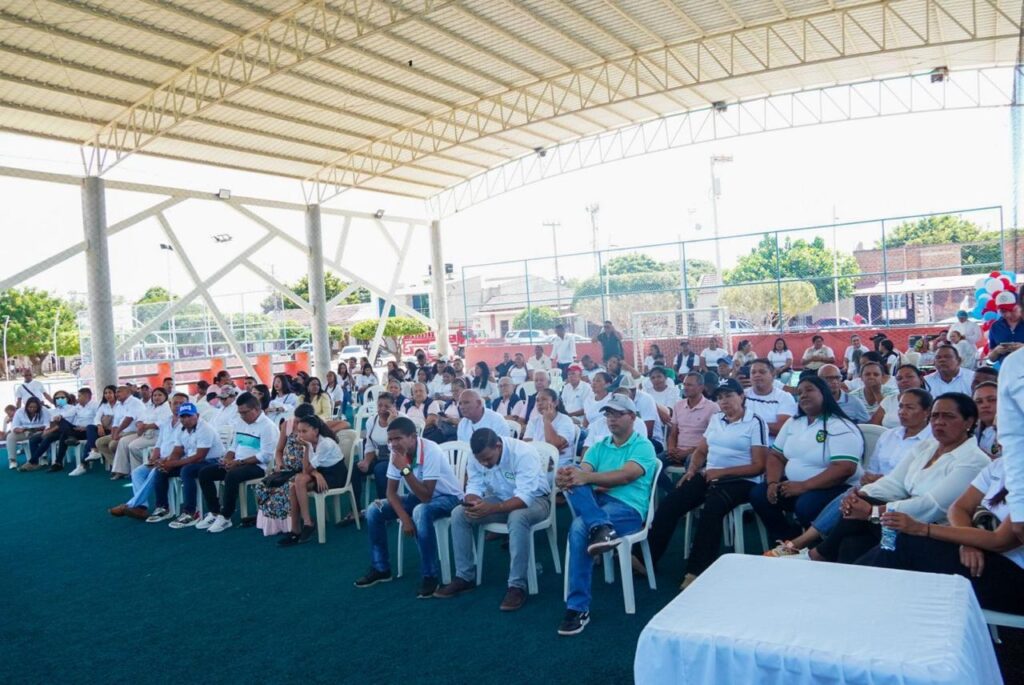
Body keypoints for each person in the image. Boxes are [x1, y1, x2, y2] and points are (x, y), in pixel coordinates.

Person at [812, 393, 990, 564]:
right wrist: (862, 494)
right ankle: (827, 561)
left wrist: (873, 511)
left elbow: (932, 506)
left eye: (948, 416)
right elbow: (895, 482)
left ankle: (818, 553)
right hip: (902, 518)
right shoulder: (927, 447)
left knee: (862, 521)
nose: (939, 422)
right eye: (935, 416)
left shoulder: (973, 460)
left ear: (969, 422)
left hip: (933, 529)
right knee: (853, 540)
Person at [765, 388, 935, 558]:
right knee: (851, 504)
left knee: (850, 499)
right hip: (875, 489)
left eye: (909, 408)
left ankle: (804, 546)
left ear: (927, 412)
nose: (902, 412)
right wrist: (869, 478)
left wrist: (882, 481)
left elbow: (920, 479)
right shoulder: (889, 436)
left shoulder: (932, 442)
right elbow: (872, 469)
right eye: (900, 407)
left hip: (901, 495)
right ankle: (809, 548)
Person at [642, 379, 768, 589]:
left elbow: (759, 466)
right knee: (672, 501)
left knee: (713, 508)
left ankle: (697, 570)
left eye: (729, 396)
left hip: (742, 480)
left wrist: (722, 472)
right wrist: (692, 470)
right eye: (720, 397)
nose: (724, 401)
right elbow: (701, 450)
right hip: (710, 474)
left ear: (742, 396)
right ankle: (645, 558)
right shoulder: (717, 419)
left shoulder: (755, 422)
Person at [858, 457, 1024, 613]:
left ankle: (854, 594)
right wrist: (967, 542)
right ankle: (856, 592)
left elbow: (1000, 541)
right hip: (982, 555)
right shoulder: (1000, 465)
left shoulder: (977, 460)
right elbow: (959, 508)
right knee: (865, 538)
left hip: (1012, 574)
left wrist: (922, 528)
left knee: (905, 543)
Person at [555, 394, 658, 636]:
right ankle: (601, 527)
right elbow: (582, 472)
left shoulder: (643, 445)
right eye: (608, 414)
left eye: (617, 414)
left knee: (579, 526)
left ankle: (577, 607)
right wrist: (567, 476)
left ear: (632, 417)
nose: (611, 419)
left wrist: (587, 478)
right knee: (574, 474)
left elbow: (626, 475)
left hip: (629, 508)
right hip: (599, 504)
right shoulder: (600, 446)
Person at [434, 429, 551, 610]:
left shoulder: (523, 453)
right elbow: (474, 485)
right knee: (459, 513)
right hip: (501, 499)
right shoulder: (477, 455)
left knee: (517, 517)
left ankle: (517, 586)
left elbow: (524, 498)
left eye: (487, 459)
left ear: (498, 446)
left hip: (537, 501)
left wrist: (491, 508)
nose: (484, 463)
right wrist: (473, 501)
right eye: (480, 460)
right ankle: (464, 576)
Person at [353, 417, 463, 597]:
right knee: (374, 510)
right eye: (390, 440)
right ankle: (381, 568)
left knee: (421, 510)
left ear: (413, 437)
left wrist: (405, 469)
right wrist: (405, 518)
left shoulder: (431, 450)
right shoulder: (395, 452)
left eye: (398, 438)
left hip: (448, 498)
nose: (393, 444)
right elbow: (390, 492)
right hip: (419, 497)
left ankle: (430, 575)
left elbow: (426, 496)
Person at [748, 375, 864, 543]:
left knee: (806, 505)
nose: (803, 395)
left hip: (837, 487)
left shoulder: (840, 425)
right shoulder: (794, 422)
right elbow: (776, 455)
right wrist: (773, 482)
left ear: (824, 393)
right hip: (796, 485)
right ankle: (786, 539)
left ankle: (813, 546)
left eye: (809, 390)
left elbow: (844, 468)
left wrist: (804, 486)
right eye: (800, 392)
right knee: (759, 494)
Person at [196, 392, 280, 534]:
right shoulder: (240, 423)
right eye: (240, 413)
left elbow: (265, 456)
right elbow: (233, 446)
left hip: (258, 467)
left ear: (256, 409)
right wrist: (227, 460)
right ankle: (214, 512)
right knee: (205, 473)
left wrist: (238, 462)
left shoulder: (268, 426)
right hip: (238, 463)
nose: (242, 416)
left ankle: (225, 516)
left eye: (245, 412)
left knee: (232, 475)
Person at [108, 392, 188, 521]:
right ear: (170, 405)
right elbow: (159, 443)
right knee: (137, 473)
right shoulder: (167, 421)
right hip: (162, 460)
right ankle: (142, 506)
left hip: (178, 461)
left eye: (182, 403)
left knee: (154, 472)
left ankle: (132, 505)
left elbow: (184, 449)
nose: (178, 406)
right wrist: (153, 458)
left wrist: (165, 460)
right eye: (175, 403)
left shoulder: (188, 422)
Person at [278, 415, 350, 546]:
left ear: (315, 431)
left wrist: (306, 450)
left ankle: (307, 523)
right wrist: (316, 473)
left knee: (299, 480)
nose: (300, 435)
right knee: (294, 485)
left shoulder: (325, 444)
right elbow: (307, 469)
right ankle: (296, 528)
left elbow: (306, 470)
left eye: (304, 431)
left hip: (336, 476)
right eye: (299, 431)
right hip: (322, 472)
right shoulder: (310, 443)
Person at [156, 403, 227, 528]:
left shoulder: (205, 429)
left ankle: (191, 512)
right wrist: (168, 463)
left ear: (197, 415)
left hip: (212, 461)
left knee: (187, 471)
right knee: (161, 470)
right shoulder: (181, 429)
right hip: (192, 461)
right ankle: (162, 507)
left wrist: (173, 463)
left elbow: (200, 456)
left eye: (189, 416)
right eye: (183, 416)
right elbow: (177, 451)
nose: (186, 419)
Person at [255, 404, 316, 536]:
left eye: (300, 422)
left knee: (285, 488)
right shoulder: (287, 425)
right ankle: (275, 525)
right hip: (285, 469)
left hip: (304, 471)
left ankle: (291, 525)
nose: (297, 424)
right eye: (296, 420)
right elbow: (279, 450)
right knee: (263, 486)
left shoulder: (315, 428)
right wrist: (279, 463)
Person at [355, 392, 401, 506]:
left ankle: (385, 507)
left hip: (398, 458)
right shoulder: (371, 421)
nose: (382, 409)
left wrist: (392, 423)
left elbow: (398, 445)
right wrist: (366, 461)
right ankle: (356, 508)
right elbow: (369, 444)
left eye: (386, 406)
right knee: (355, 468)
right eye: (380, 405)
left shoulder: (402, 420)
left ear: (393, 407)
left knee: (379, 469)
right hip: (379, 456)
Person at [114, 387, 171, 478]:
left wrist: (145, 426)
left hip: (156, 435)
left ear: (165, 396)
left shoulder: (167, 407)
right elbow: (141, 418)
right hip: (144, 432)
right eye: (155, 395)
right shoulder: (150, 407)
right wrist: (139, 424)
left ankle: (142, 469)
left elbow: (160, 424)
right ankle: (123, 471)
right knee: (123, 441)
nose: (157, 397)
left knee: (133, 446)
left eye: (160, 395)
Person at [666, 372, 718, 468]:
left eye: (689, 385)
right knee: (653, 462)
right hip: (677, 451)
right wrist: (671, 449)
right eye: (684, 384)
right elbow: (673, 433)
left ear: (701, 388)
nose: (685, 388)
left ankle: (686, 478)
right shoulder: (678, 405)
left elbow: (712, 439)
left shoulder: (712, 407)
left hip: (699, 452)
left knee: (691, 460)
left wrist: (687, 452)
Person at [97, 386, 146, 479]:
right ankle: (117, 467)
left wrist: (117, 433)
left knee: (113, 445)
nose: (116, 394)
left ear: (128, 392)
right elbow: (115, 422)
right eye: (116, 392)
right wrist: (113, 434)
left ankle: (121, 470)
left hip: (133, 432)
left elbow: (128, 419)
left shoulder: (135, 403)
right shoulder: (119, 405)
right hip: (121, 432)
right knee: (100, 442)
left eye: (119, 392)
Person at [523, 388, 575, 467]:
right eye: (537, 400)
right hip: (537, 461)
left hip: (560, 464)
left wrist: (547, 420)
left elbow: (553, 444)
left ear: (555, 403)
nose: (539, 403)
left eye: (544, 399)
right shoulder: (534, 421)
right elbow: (526, 445)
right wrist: (547, 451)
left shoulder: (565, 420)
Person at [745, 359, 796, 437]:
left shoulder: (785, 397)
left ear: (773, 374)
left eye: (762, 372)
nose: (757, 375)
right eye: (753, 372)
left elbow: (783, 428)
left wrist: (749, 425)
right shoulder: (741, 396)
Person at [5, 397, 50, 469]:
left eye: (35, 407)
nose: (32, 409)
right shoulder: (19, 412)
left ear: (39, 406)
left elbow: (47, 425)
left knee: (43, 436)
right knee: (10, 436)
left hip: (39, 431)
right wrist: (21, 430)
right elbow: (14, 426)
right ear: (26, 406)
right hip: (24, 432)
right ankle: (12, 460)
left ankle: (43, 458)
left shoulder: (44, 410)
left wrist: (36, 429)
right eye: (30, 407)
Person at [986, 299, 1024, 364]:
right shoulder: (995, 326)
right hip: (1005, 368)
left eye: (1013, 310)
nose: (1009, 314)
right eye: (1004, 311)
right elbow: (991, 358)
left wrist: (1022, 348)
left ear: (1019, 307)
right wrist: (996, 351)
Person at [974, 382, 1000, 457]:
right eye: (979, 402)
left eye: (992, 400)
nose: (985, 405)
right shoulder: (972, 432)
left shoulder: (1016, 430)